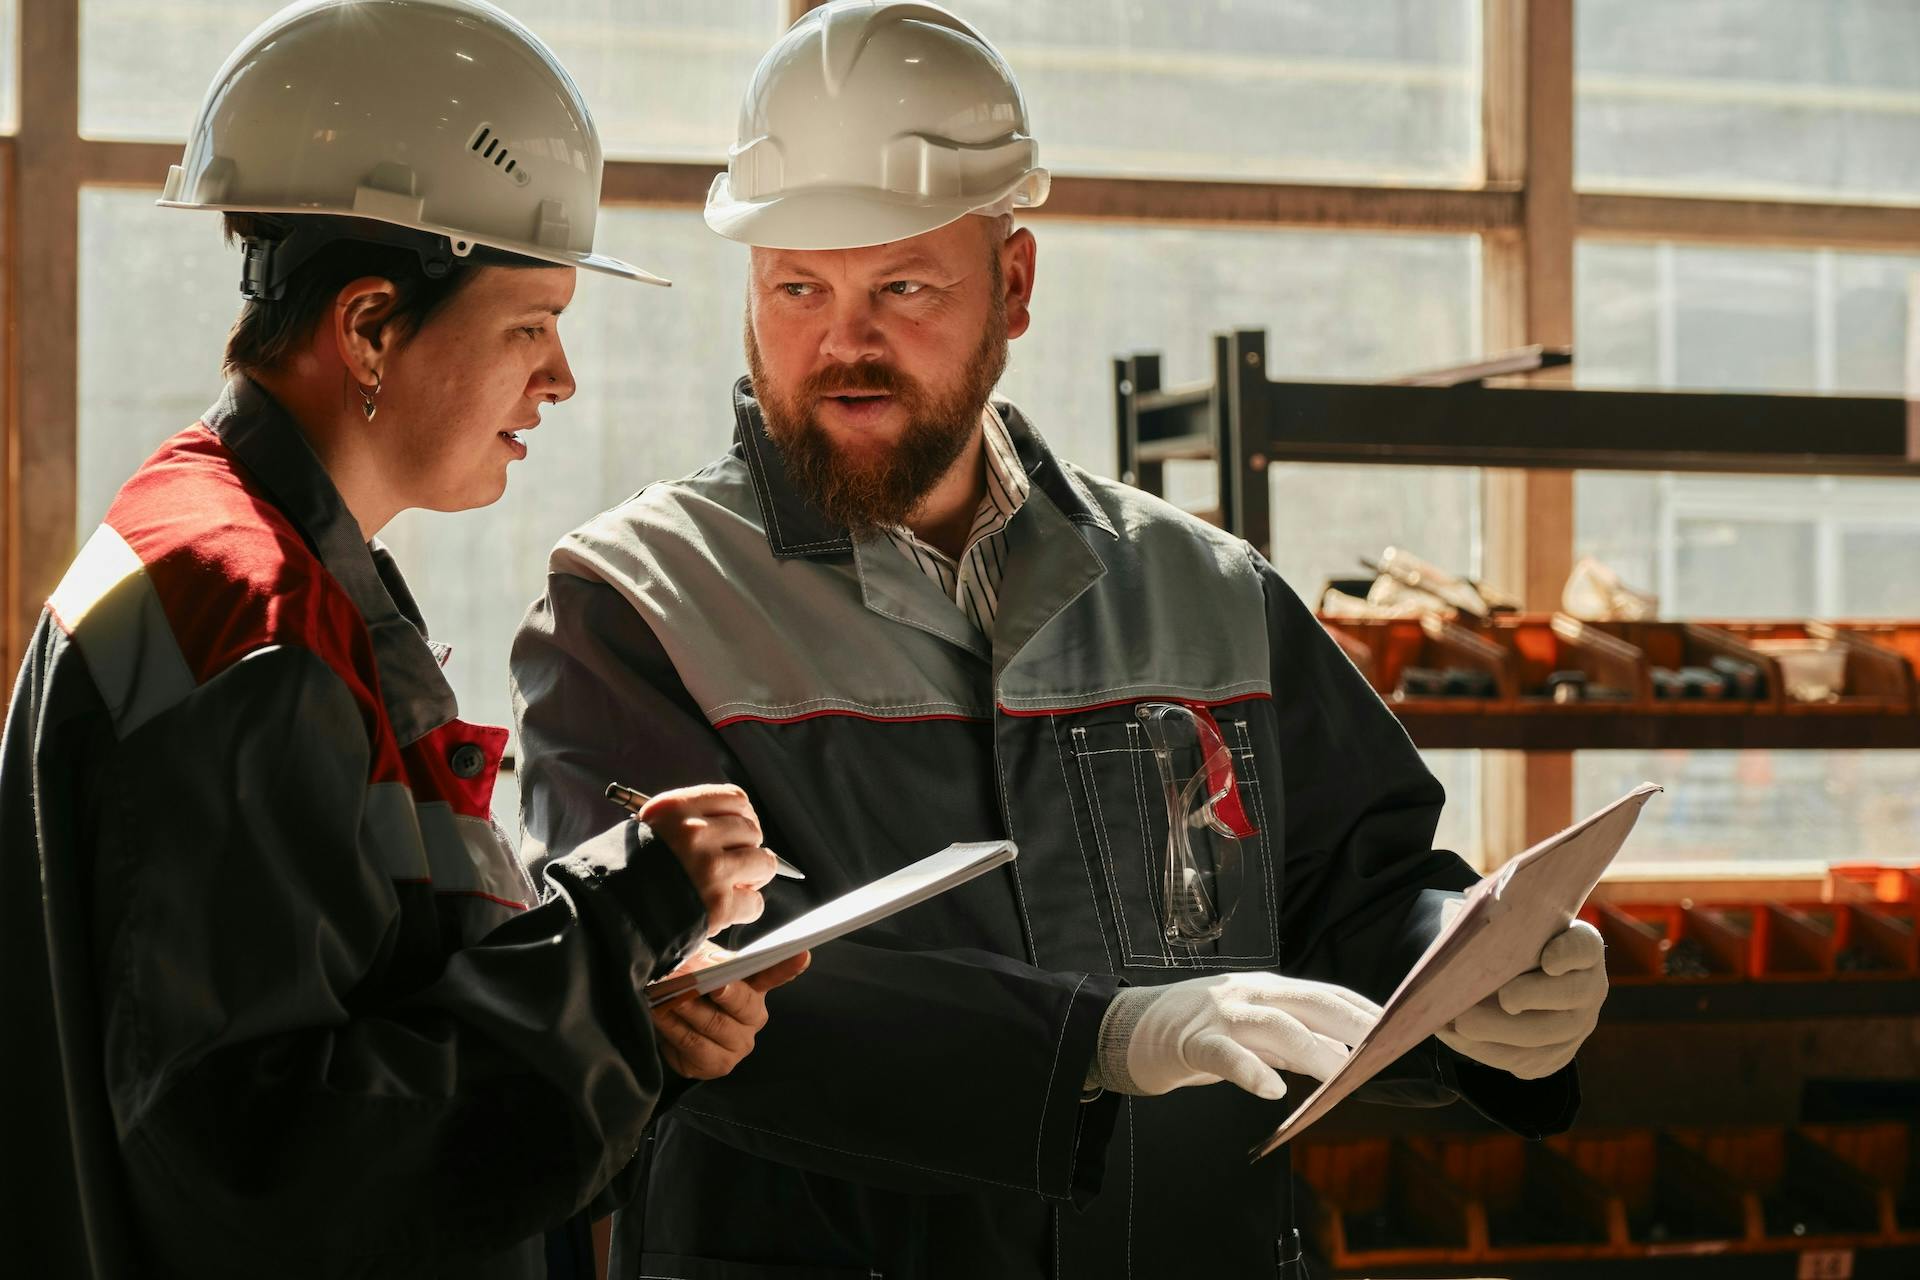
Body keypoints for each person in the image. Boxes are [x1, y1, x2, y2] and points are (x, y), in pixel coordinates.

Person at [510, 3, 1608, 1277]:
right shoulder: (638, 604)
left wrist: (1473, 976)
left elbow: (1356, 893)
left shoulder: (1208, 590)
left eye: (904, 286)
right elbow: (705, 997)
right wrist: (1105, 1035)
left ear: (1014, 286)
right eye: (797, 286)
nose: (842, 341)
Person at [0, 3, 803, 1276]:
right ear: (371, 326)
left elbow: (360, 998)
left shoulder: (240, 562)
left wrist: (625, 1012)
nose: (562, 379)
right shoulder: (255, 617)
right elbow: (276, 1160)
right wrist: (621, 913)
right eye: (531, 323)